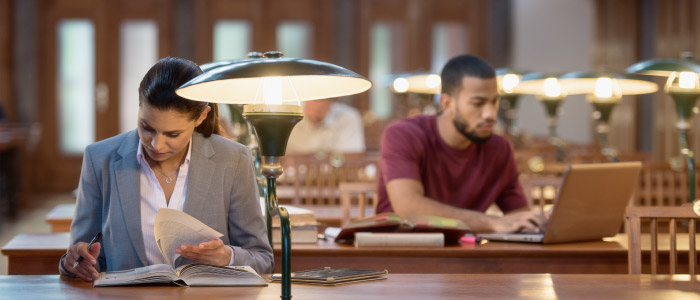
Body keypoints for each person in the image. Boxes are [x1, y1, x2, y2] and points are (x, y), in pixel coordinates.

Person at [59, 57, 273, 281]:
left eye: (173, 134)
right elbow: (79, 256)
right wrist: (74, 261)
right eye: (147, 128)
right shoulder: (99, 158)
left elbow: (262, 259)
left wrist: (227, 257)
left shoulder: (234, 159)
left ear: (201, 117)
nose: (156, 145)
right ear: (139, 106)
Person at [375, 54, 546, 233]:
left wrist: (541, 221)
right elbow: (409, 210)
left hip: (465, 254)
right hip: (402, 252)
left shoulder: (499, 149)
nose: (490, 114)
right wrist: (492, 223)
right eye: (478, 103)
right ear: (447, 103)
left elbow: (518, 217)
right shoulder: (403, 135)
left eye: (494, 102)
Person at [286, 99, 365, 154]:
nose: (316, 104)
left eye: (320, 99)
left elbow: (350, 156)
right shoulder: (289, 116)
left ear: (331, 99)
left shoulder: (348, 117)